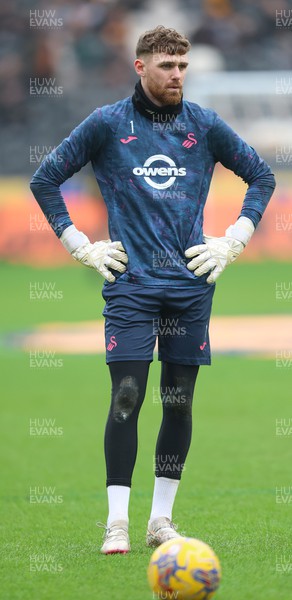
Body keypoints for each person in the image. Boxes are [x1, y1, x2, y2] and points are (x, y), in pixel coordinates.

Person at [30, 25, 275, 555]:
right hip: (131, 285)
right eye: (167, 66)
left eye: (183, 66)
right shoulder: (106, 124)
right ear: (140, 67)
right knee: (127, 397)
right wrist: (81, 246)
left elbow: (261, 175)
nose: (177, 75)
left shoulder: (205, 125)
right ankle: (117, 521)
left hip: (190, 284)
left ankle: (160, 521)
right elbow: (45, 179)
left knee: (179, 403)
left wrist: (234, 239)